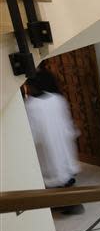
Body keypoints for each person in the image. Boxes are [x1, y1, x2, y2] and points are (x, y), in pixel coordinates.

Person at [25, 68, 83, 214]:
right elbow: (67, 123)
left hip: (47, 148)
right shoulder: (57, 99)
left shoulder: (31, 105)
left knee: (54, 175)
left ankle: (65, 204)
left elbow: (33, 134)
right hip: (61, 143)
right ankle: (72, 202)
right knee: (64, 172)